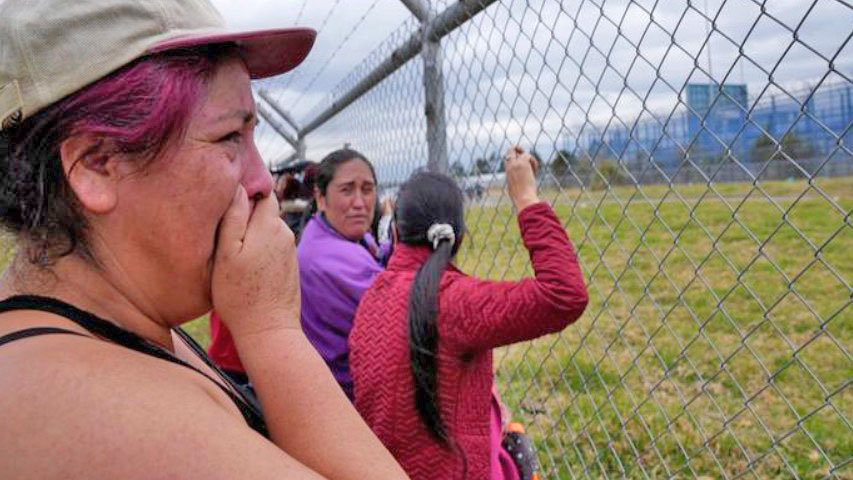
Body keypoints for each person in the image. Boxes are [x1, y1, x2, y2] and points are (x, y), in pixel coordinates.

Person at [0, 1, 408, 479]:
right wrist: (271, 332)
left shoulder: (116, 327)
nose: (261, 181)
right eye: (229, 137)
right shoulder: (86, 407)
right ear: (96, 164)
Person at [348, 147, 589, 479]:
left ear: (397, 232)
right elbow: (565, 294)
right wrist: (526, 198)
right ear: (458, 236)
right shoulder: (455, 301)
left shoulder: (372, 299)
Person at [297, 148, 392, 400]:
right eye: (347, 190)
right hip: (353, 403)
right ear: (320, 198)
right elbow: (410, 313)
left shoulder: (322, 234)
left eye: (367, 189)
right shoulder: (333, 258)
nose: (359, 203)